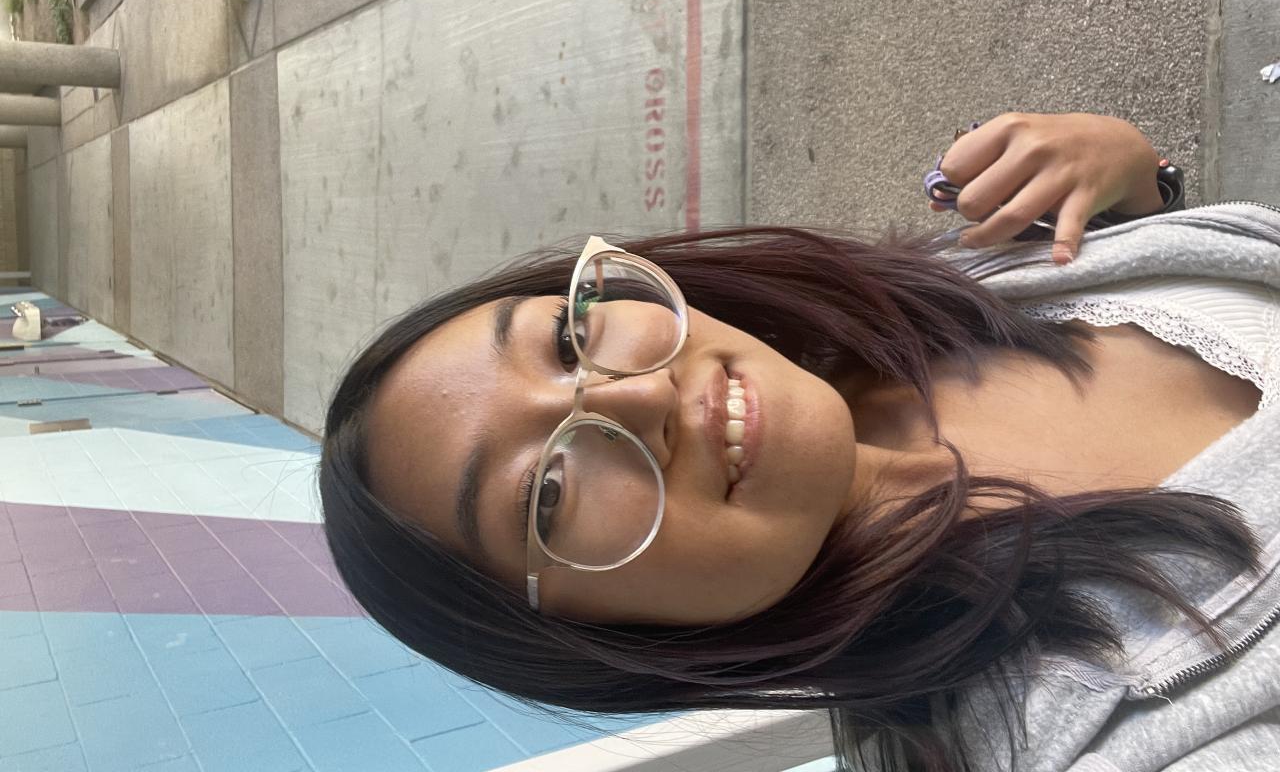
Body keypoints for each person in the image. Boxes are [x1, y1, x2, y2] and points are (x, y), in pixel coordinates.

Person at [319, 112, 1280, 772]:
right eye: (550, 491)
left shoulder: (932, 302)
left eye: (571, 339)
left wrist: (1136, 187)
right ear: (598, 642)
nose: (642, 394)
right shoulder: (1084, 741)